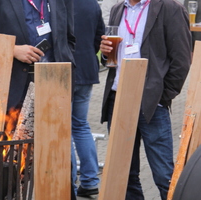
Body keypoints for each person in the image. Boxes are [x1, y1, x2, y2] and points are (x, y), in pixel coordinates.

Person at [100, 0, 191, 199]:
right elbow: (111, 61)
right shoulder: (118, 9)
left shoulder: (171, 9)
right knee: (125, 174)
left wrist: (161, 96)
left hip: (151, 103)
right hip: (118, 99)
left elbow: (182, 60)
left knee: (164, 175)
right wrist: (106, 53)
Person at [0, 0, 75, 117]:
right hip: (10, 90)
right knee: (9, 135)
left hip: (52, 86)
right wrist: (12, 50)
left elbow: (68, 39)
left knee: (49, 135)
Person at [71, 0, 105, 197]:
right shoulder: (92, 3)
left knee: (64, 128)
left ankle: (68, 184)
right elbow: (99, 36)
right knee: (81, 125)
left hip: (64, 71)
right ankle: (90, 181)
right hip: (87, 70)